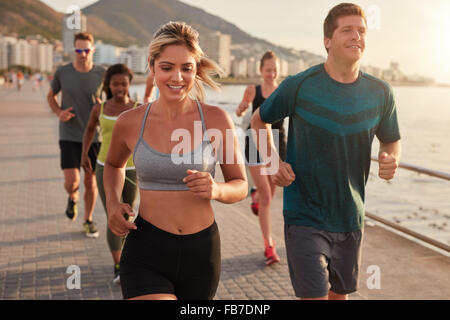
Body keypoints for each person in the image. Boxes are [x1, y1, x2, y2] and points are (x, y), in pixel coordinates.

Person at [251, 3, 401, 300]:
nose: (356, 36)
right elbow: (258, 122)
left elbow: (391, 139)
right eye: (347, 30)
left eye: (361, 30)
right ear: (327, 41)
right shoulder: (299, 85)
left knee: (339, 297)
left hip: (350, 216)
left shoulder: (381, 93)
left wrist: (391, 157)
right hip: (304, 215)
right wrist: (272, 161)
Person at [103, 21, 247, 300]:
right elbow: (112, 165)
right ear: (152, 66)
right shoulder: (129, 122)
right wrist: (112, 202)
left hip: (201, 253)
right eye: (167, 67)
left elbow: (240, 185)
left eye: (187, 68)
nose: (177, 77)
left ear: (195, 69)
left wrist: (216, 189)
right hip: (146, 250)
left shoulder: (216, 120)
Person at [82, 64, 138, 284]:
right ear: (109, 86)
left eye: (124, 83)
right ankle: (118, 266)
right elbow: (88, 130)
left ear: (129, 84)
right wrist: (84, 154)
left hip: (133, 169)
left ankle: (126, 258)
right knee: (113, 214)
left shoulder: (138, 108)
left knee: (127, 215)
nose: (120, 88)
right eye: (115, 84)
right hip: (105, 166)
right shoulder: (101, 109)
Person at [47, 32, 105, 238]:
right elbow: (51, 96)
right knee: (72, 182)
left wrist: (103, 108)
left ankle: (88, 220)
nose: (82, 54)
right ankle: (73, 197)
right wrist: (59, 112)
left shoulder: (101, 73)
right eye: (79, 50)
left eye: (86, 50)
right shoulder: (63, 72)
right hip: (69, 133)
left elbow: (112, 99)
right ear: (74, 51)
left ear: (93, 50)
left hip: (94, 136)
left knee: (91, 182)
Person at [235, 50, 286, 265]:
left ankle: (255, 196)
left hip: (277, 145)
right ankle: (269, 246)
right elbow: (239, 114)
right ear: (260, 70)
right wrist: (241, 108)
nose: (271, 73)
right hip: (255, 144)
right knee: (267, 197)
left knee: (270, 194)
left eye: (275, 69)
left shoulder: (283, 91)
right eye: (268, 70)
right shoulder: (252, 90)